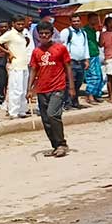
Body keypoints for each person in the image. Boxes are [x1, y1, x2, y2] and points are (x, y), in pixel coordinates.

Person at [28, 21, 72, 157]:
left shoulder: (60, 49)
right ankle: (55, 145)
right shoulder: (36, 52)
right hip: (42, 89)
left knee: (53, 114)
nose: (44, 36)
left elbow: (68, 67)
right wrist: (29, 89)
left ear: (52, 34)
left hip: (58, 87)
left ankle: (62, 144)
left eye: (47, 33)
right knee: (46, 119)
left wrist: (71, 87)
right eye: (41, 34)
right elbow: (33, 70)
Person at [0, 17, 31, 119]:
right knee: (16, 90)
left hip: (24, 65)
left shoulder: (23, 34)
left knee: (23, 90)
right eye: (18, 24)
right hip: (15, 65)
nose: (21, 26)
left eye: (22, 24)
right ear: (13, 24)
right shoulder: (10, 34)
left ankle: (22, 110)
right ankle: (13, 112)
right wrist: (7, 52)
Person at [62, 14, 90, 109]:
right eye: (74, 21)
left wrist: (87, 59)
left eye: (78, 21)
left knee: (78, 82)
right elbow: (62, 46)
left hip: (80, 62)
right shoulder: (66, 32)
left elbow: (85, 46)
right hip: (71, 62)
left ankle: (75, 102)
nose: (76, 23)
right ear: (70, 22)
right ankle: (67, 103)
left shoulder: (83, 33)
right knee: (70, 83)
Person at [83, 13, 104, 103]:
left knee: (100, 76)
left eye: (97, 19)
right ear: (89, 19)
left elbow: (99, 44)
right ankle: (90, 95)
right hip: (89, 55)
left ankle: (97, 94)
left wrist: (101, 32)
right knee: (92, 76)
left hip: (95, 54)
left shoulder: (94, 30)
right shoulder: (85, 30)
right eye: (94, 19)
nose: (96, 21)